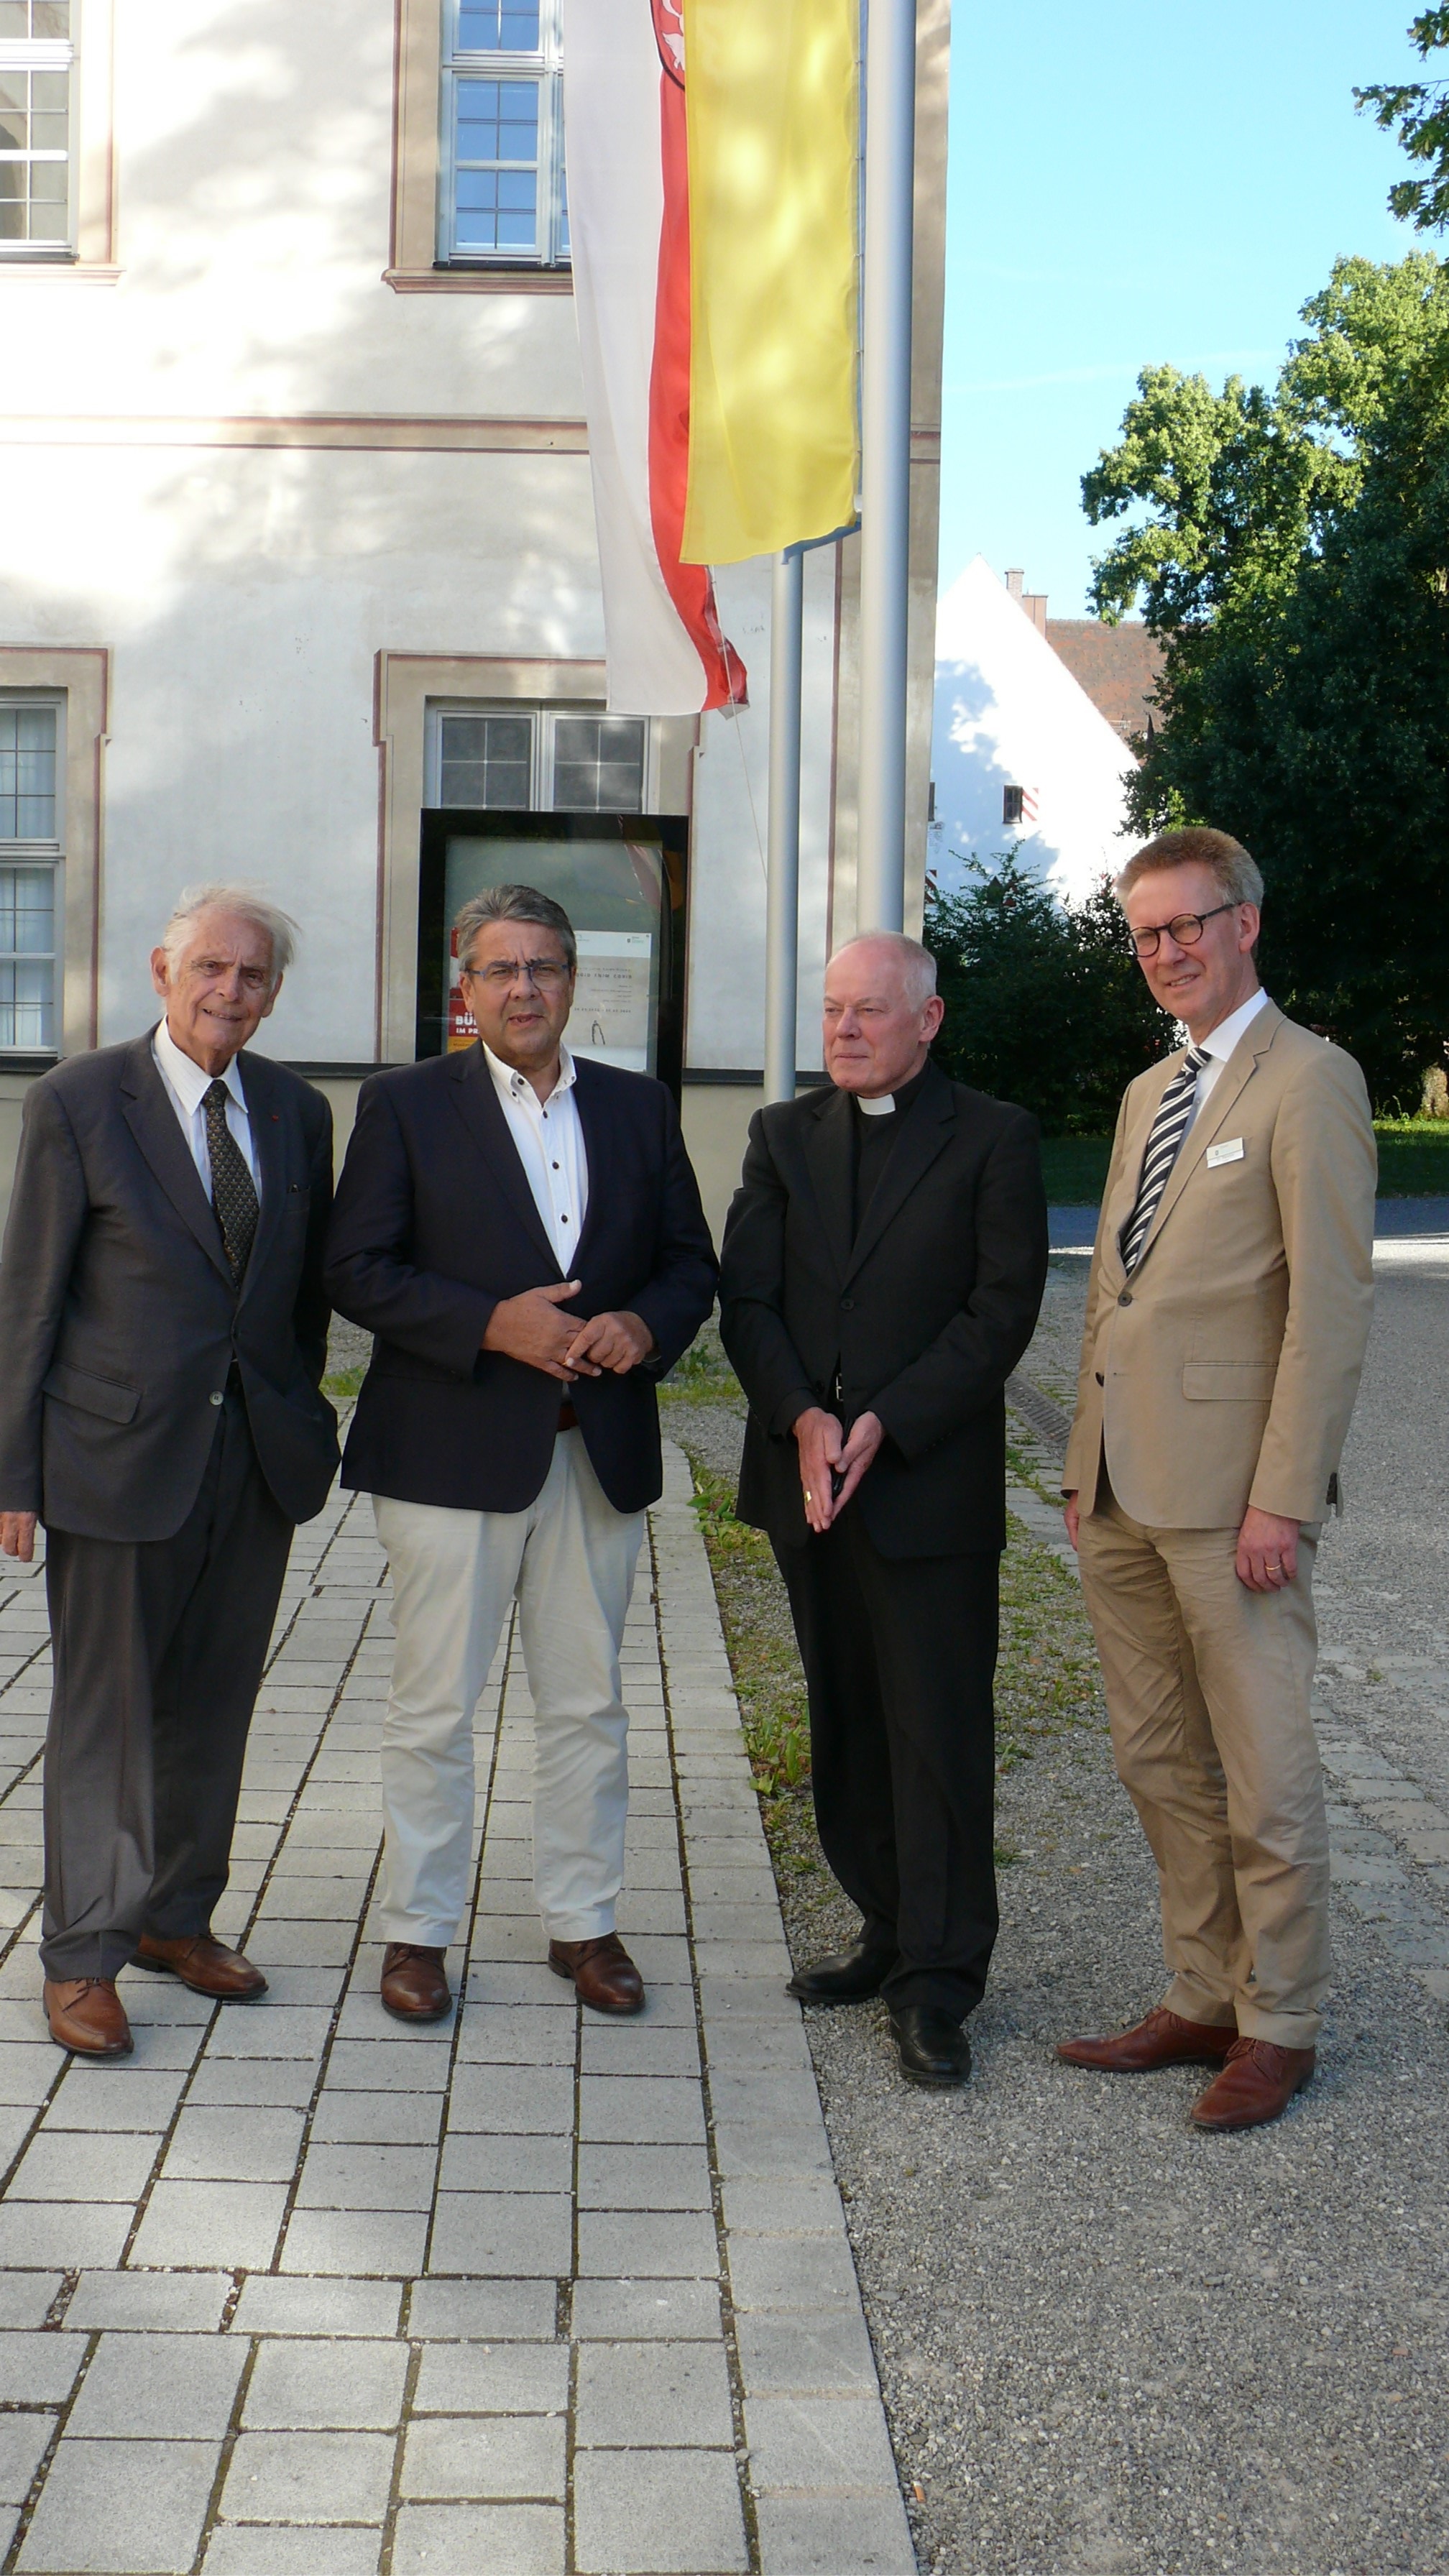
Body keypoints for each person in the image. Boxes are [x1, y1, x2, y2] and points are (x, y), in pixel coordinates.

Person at [324, 884, 717, 2024]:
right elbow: (356, 1268)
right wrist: (494, 1321)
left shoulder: (641, 1110)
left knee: (589, 1703)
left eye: (543, 966)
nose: (524, 988)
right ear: (467, 987)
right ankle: (418, 1930)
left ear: (573, 980)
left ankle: (584, 1925)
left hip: (592, 1452)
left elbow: (690, 1265)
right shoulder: (404, 1106)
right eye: (500, 969)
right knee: (435, 1706)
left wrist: (647, 1326)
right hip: (450, 1453)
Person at [1058, 827, 1376, 2133]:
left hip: (1237, 1494)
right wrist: (1082, 1473)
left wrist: (1283, 1499)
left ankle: (1281, 2018)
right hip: (1125, 1489)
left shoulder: (1311, 1080)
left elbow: (1331, 1304)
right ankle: (1201, 1990)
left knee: (1264, 1765)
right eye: (1148, 936)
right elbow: (1111, 1289)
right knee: (1155, 1755)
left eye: (1190, 925)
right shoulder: (1151, 1090)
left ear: (1247, 921)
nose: (1169, 953)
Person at [0, 886, 339, 2058]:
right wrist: (14, 1475)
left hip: (251, 1464)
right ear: (162, 970)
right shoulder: (82, 1102)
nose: (228, 993)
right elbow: (29, 1296)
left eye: (252, 977)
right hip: (113, 1461)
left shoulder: (296, 1113)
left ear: (273, 993)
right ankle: (84, 1954)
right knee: (109, 1717)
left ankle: (175, 1920)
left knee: (213, 1702)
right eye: (210, 969)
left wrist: (299, 1414)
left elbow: (297, 1302)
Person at [718, 934, 1047, 2089]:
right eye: (832, 1012)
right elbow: (748, 1296)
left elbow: (1001, 1309)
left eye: (869, 1011)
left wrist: (888, 1420)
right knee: (847, 1718)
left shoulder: (994, 1137)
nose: (845, 1030)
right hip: (810, 1480)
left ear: (929, 1020)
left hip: (925, 1486)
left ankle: (941, 1982)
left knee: (938, 1731)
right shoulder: (782, 1136)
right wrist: (802, 1413)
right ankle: (885, 1928)